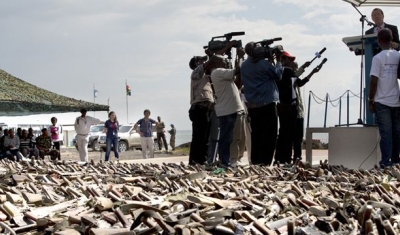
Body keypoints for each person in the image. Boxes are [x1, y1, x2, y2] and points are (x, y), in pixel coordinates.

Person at [241, 42, 283, 165]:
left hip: (253, 106)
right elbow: (278, 75)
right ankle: (264, 163)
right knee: (269, 136)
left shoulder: (244, 65)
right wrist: (278, 60)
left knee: (257, 136)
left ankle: (255, 162)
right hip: (267, 104)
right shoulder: (264, 64)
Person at [369, 28, 400, 168]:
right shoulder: (398, 56)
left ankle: (385, 163)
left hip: (381, 101)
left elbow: (374, 81)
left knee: (386, 133)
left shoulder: (377, 58)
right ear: (391, 39)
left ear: (379, 41)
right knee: (396, 132)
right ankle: (396, 161)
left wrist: (370, 100)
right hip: (396, 100)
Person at [208, 50, 245, 169]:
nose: (226, 61)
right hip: (227, 110)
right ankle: (225, 162)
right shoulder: (218, 72)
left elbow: (237, 82)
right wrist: (239, 56)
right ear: (217, 62)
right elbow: (237, 70)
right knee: (226, 138)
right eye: (223, 60)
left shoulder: (221, 74)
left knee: (228, 137)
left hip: (229, 110)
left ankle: (226, 161)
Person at [275, 52, 312, 164]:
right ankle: (286, 158)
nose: (290, 62)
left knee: (282, 132)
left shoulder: (278, 72)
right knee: (290, 133)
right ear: (283, 59)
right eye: (288, 59)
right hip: (290, 107)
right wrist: (310, 74)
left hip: (281, 106)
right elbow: (299, 83)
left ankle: (278, 157)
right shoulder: (288, 71)